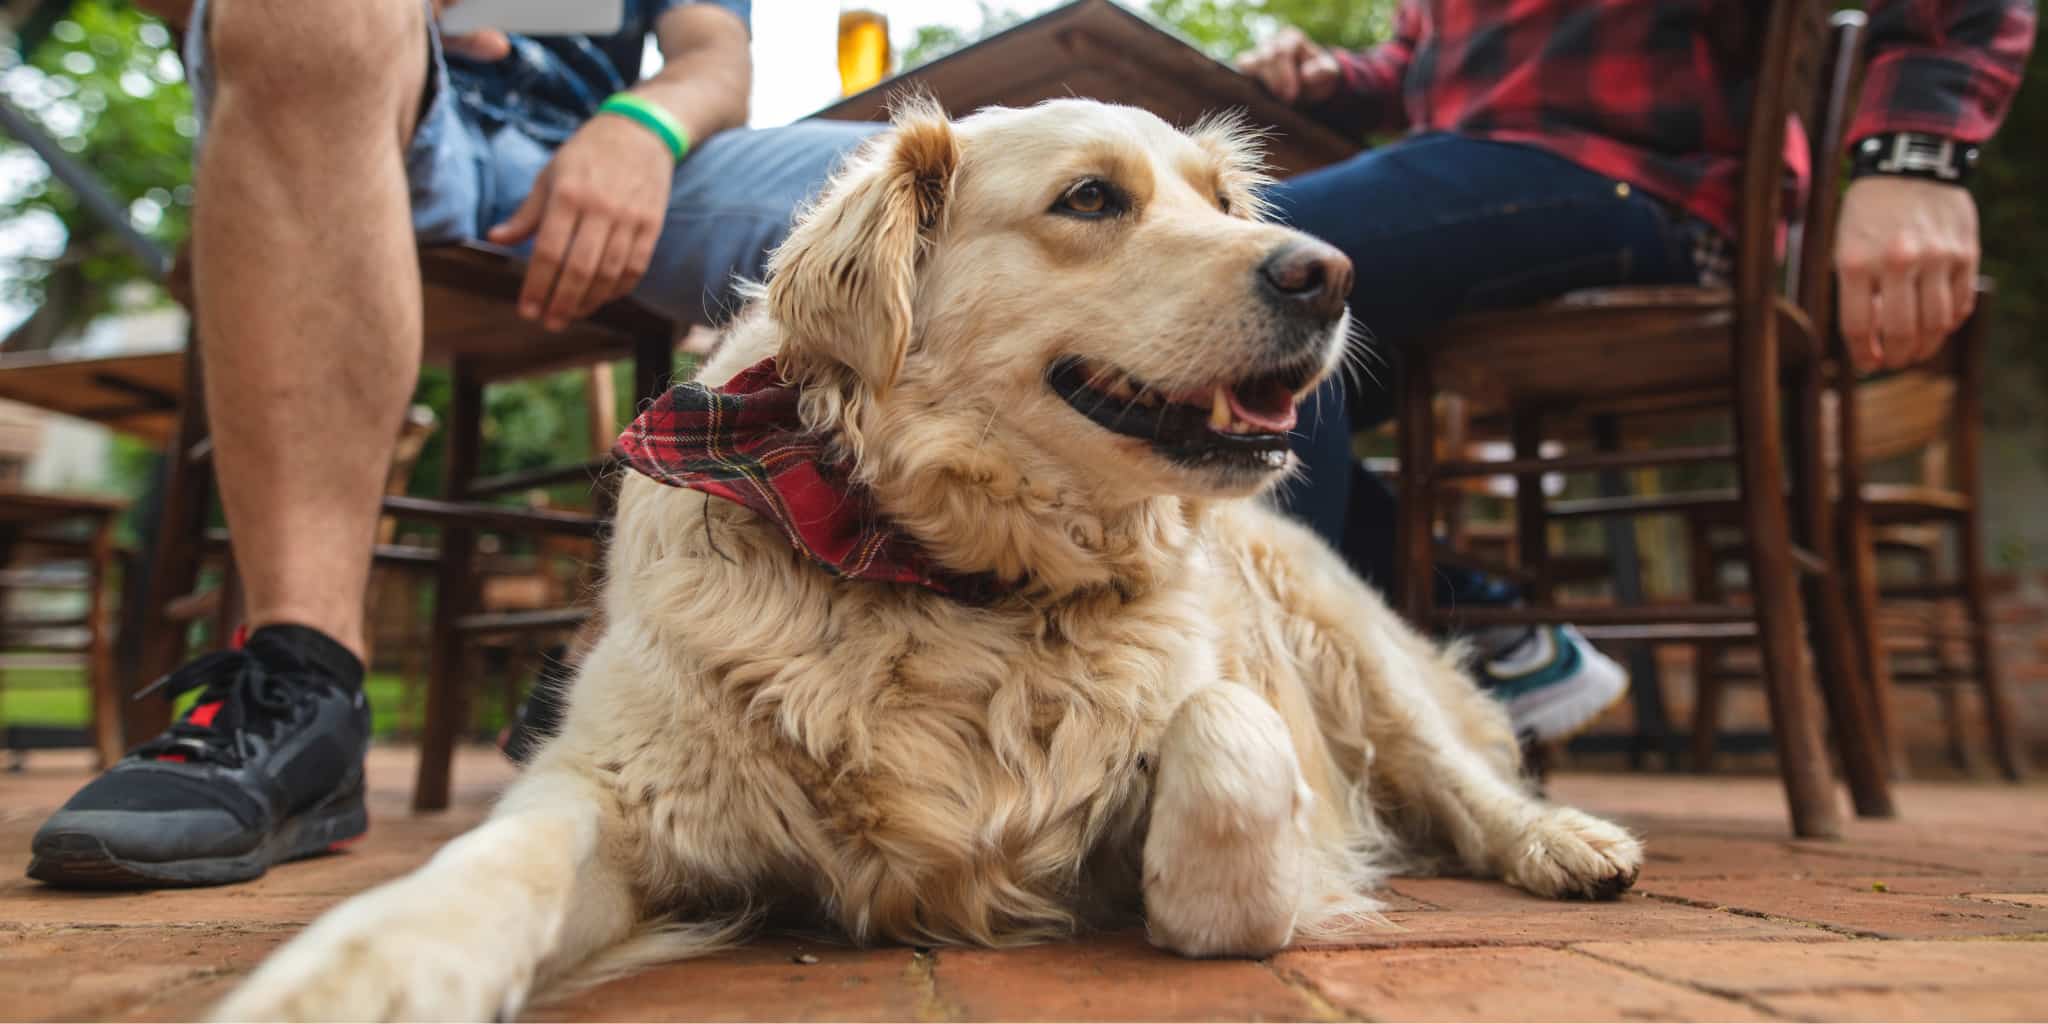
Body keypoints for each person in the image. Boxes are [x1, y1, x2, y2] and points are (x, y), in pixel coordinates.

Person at [26, 0, 877, 888]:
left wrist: (641, 124)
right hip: (371, 100)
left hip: (610, 145)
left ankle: (659, 659)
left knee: (922, 199)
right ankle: (304, 677)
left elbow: (715, 58)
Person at [1236, 0, 2036, 743]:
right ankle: (1485, 633)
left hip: (1652, 187)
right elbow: (1421, 68)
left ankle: (1271, 732)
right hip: (1474, 169)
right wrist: (1332, 78)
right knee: (1240, 358)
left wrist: (1914, 158)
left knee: (1255, 257)